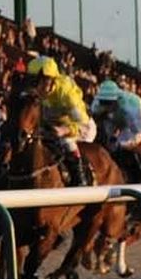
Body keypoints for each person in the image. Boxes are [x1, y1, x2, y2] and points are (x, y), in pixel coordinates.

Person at [25, 55, 93, 188]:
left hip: (80, 126)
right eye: (33, 81)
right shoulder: (35, 93)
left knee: (66, 141)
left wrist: (65, 130)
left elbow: (83, 124)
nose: (36, 87)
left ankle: (80, 179)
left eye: (39, 82)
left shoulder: (66, 93)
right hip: (52, 126)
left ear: (51, 81)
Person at [91, 78, 141, 182]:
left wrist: (119, 139)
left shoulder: (129, 108)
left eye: (108, 102)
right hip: (117, 114)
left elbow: (136, 131)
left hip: (135, 115)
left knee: (123, 144)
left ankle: (138, 175)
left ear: (116, 99)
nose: (105, 105)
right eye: (103, 102)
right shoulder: (96, 104)